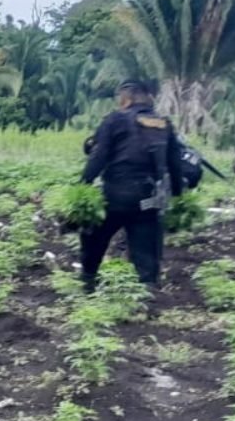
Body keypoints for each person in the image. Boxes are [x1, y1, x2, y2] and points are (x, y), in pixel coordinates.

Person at [79, 78, 185, 293]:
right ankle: (148, 292)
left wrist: (82, 186)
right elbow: (175, 163)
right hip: (148, 199)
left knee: (94, 239)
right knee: (146, 252)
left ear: (127, 97)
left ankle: (88, 283)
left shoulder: (115, 119)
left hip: (115, 196)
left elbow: (98, 156)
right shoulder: (163, 123)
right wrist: (178, 195)